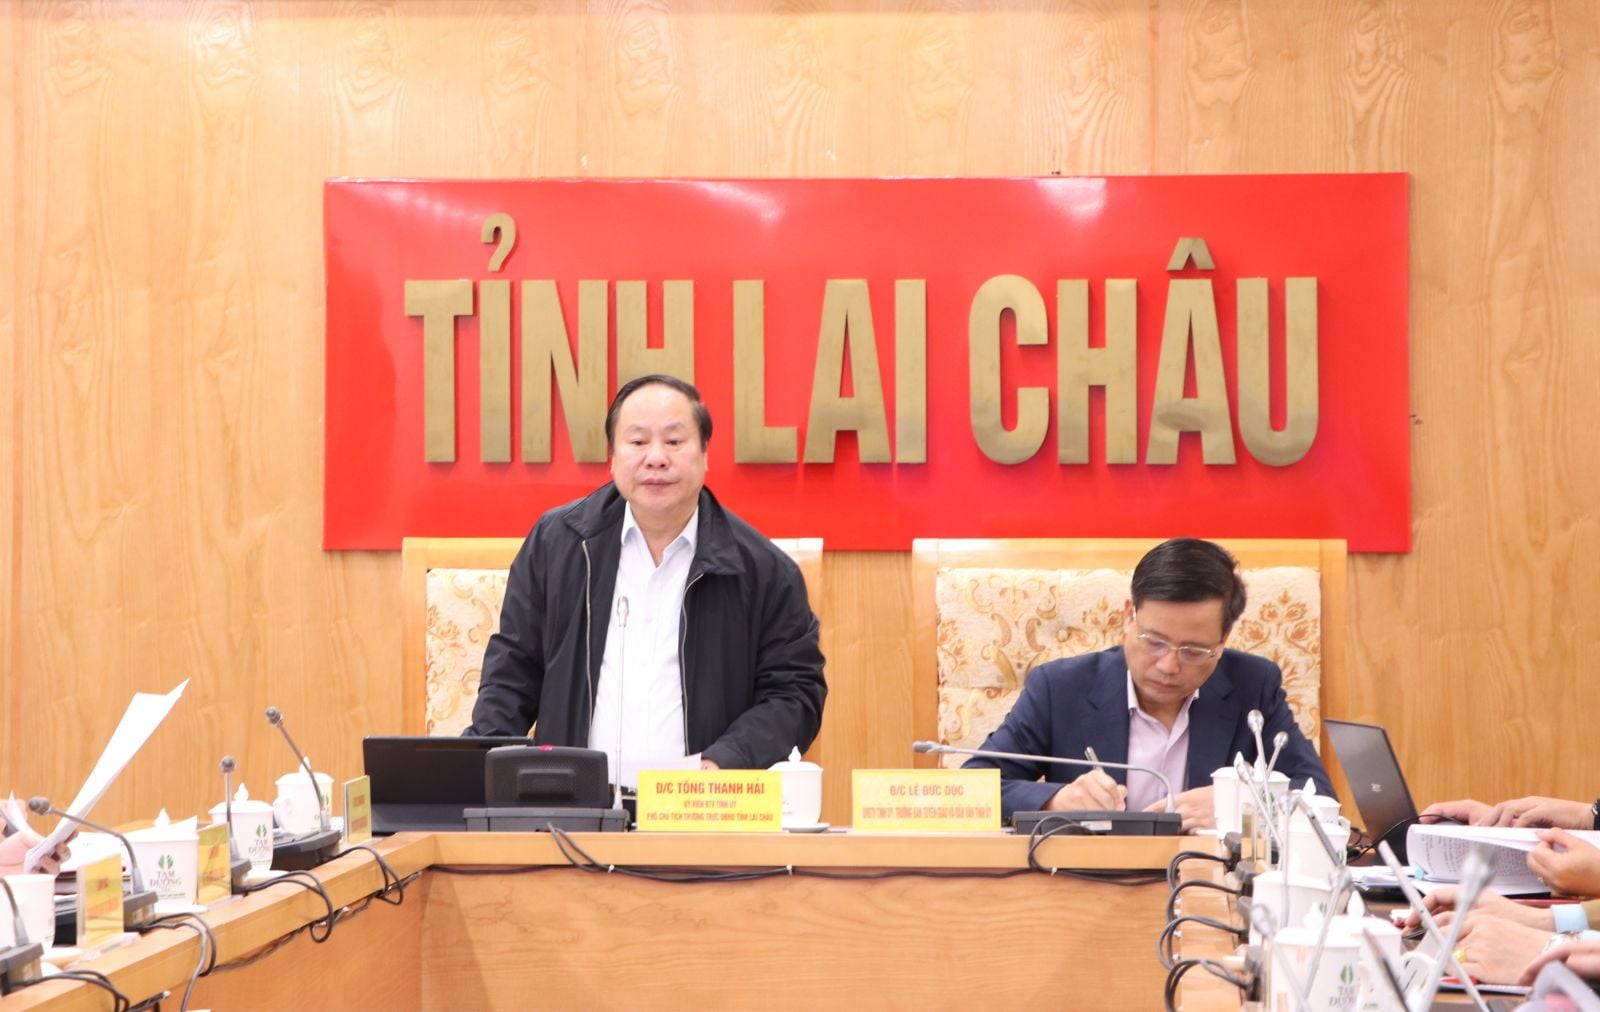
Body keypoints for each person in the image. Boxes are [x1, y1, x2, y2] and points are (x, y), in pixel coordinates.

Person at [465, 374, 827, 774]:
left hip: (700, 802)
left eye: (674, 441)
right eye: (638, 442)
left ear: (705, 454)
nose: (656, 458)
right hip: (574, 800)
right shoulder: (557, 545)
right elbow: (512, 674)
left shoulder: (764, 571)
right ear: (613, 457)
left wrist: (723, 762)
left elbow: (794, 695)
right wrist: (480, 771)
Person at [962, 537, 1332, 832]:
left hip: (1207, 885)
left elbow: (1319, 795)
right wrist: (1055, 800)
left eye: (1193, 650)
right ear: (1129, 616)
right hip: (1087, 884)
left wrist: (1238, 804)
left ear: (1223, 640)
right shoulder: (1060, 688)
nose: (1169, 666)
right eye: (1154, 642)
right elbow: (973, 787)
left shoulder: (1253, 685)